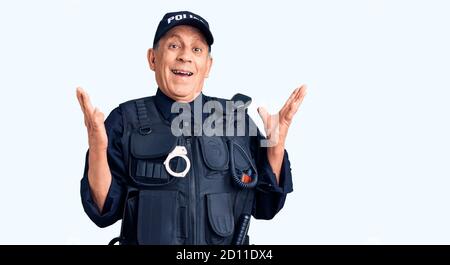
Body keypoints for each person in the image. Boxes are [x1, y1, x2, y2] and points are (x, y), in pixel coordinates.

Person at [76, 11, 307, 245]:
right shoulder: (125, 120)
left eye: (197, 49)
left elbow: (266, 207)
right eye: (174, 45)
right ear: (153, 59)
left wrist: (275, 148)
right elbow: (103, 211)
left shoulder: (236, 120)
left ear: (208, 65)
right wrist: (97, 148)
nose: (185, 56)